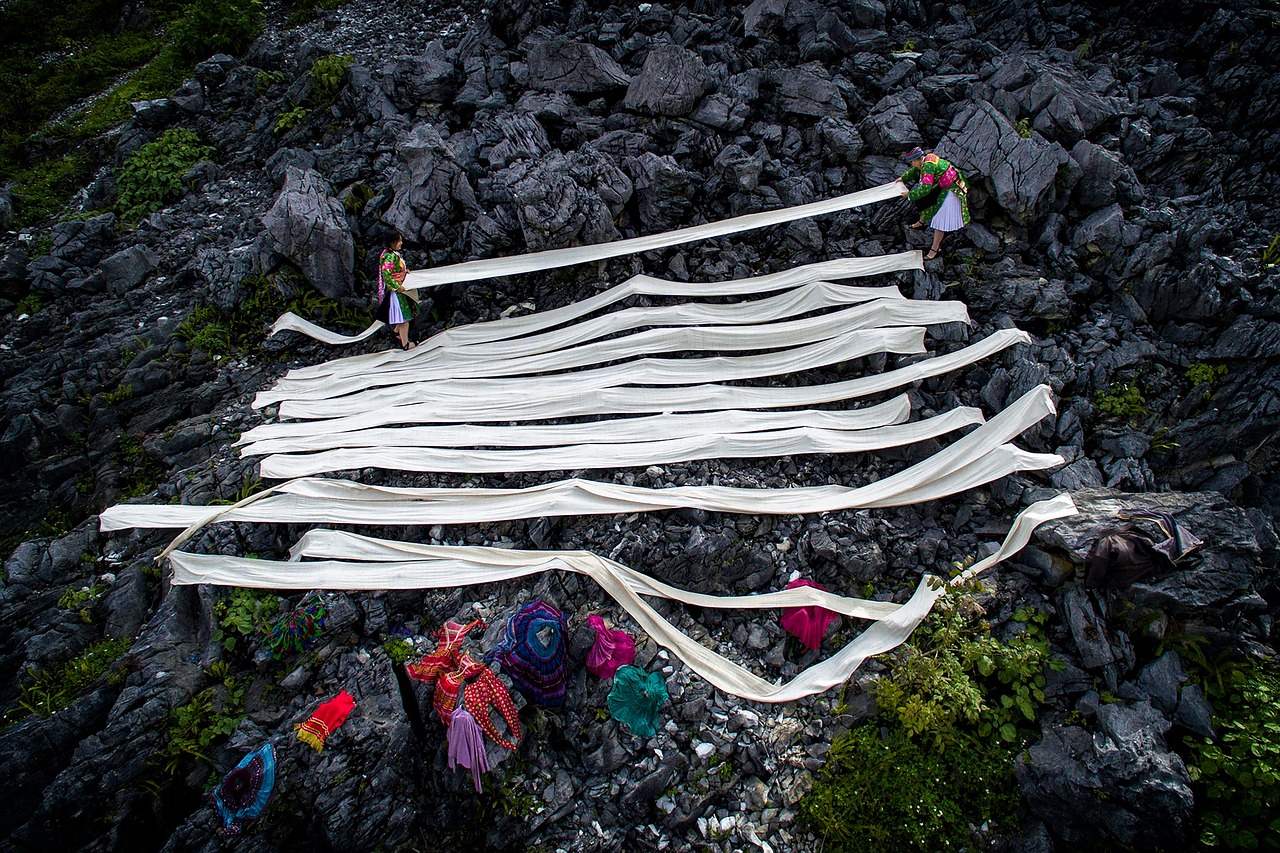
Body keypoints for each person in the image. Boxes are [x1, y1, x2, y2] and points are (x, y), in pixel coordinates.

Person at [898, 145, 970, 260]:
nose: (912, 164)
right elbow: (915, 170)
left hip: (951, 191)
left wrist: (910, 195)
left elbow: (925, 188)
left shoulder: (928, 167)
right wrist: (903, 178)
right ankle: (922, 222)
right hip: (943, 186)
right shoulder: (926, 159)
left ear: (917, 160)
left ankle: (935, 248)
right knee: (925, 202)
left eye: (912, 162)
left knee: (939, 221)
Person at [374, 232, 417, 350]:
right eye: (399, 241)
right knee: (404, 318)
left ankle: (397, 332)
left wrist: (404, 272)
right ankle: (405, 344)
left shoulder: (392, 254)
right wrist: (397, 287)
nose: (401, 243)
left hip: (399, 289)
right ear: (393, 243)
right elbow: (386, 274)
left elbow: (394, 270)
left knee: (403, 314)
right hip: (397, 292)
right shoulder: (390, 257)